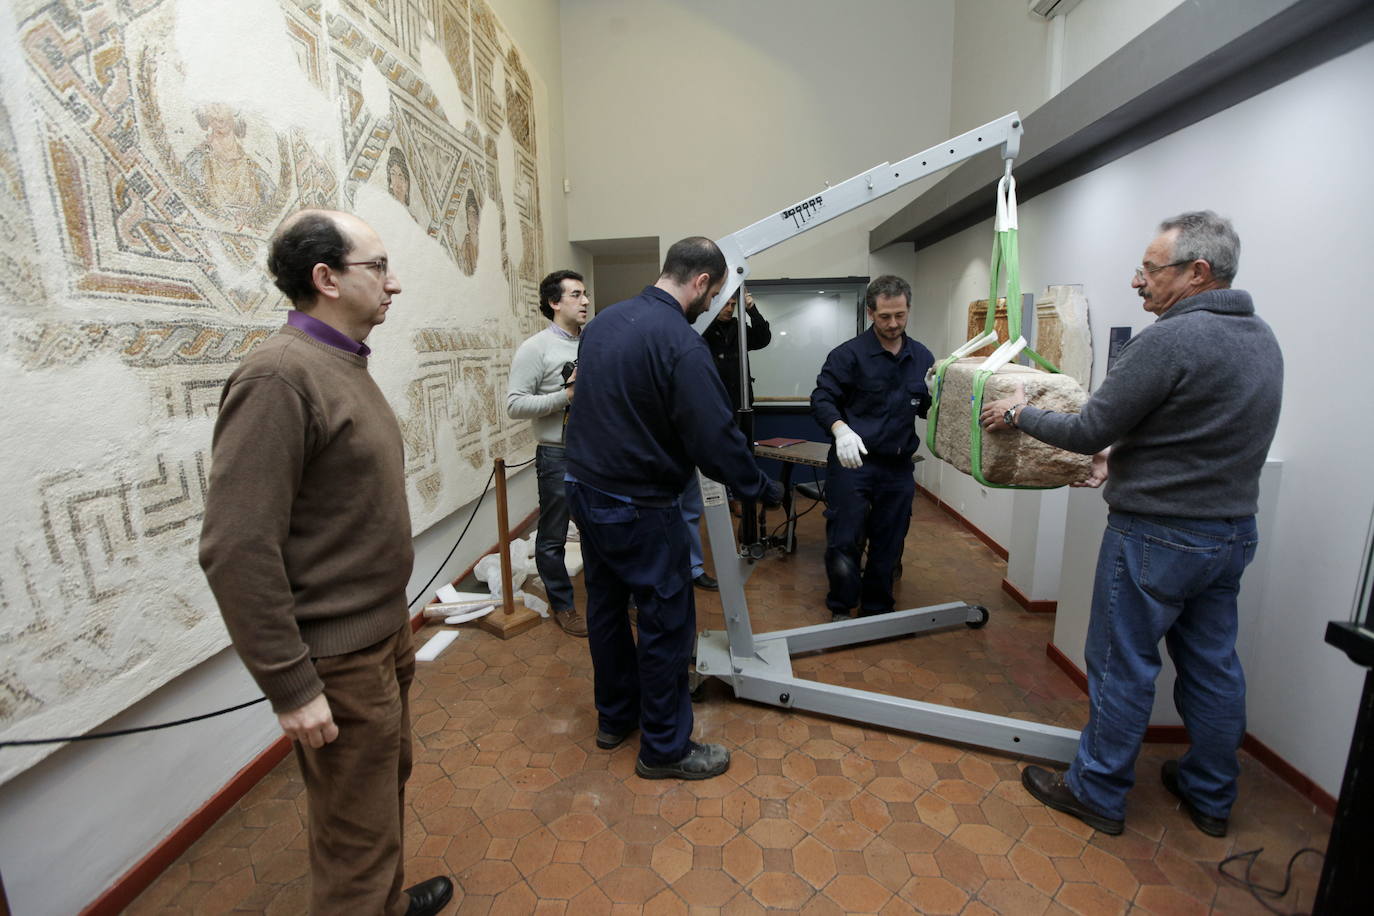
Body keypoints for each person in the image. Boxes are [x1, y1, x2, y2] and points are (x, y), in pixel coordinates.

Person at [980, 211, 1283, 837]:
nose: (1138, 282)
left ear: (1198, 273)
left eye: (1150, 269)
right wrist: (1123, 458)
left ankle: (1097, 790)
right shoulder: (1262, 339)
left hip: (1157, 538)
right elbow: (1200, 434)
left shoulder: (1170, 340)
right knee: (1212, 664)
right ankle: (1210, 793)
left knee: (1122, 663)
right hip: (1229, 535)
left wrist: (1020, 413)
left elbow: (1089, 427)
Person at [199, 209, 453, 916]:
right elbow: (235, 545)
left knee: (378, 794)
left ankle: (389, 904)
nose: (394, 283)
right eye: (378, 267)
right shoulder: (279, 376)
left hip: (382, 636)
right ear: (326, 278)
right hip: (337, 661)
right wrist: (290, 684)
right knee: (356, 838)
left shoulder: (340, 362)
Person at [565, 236, 782, 781]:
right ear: (701, 281)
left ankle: (615, 718)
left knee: (607, 611)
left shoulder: (604, 325)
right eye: (712, 296)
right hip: (640, 506)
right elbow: (716, 438)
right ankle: (664, 748)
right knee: (665, 623)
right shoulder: (681, 345)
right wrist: (759, 487)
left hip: (586, 493)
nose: (710, 308)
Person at [810, 275, 934, 621]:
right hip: (853, 464)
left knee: (890, 540)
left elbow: (924, 409)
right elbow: (822, 398)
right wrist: (840, 429)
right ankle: (841, 605)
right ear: (870, 313)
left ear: (908, 310)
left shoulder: (921, 356)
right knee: (845, 538)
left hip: (897, 466)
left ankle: (878, 606)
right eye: (884, 317)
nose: (893, 324)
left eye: (900, 315)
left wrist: (935, 395)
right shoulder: (848, 356)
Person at [507, 269, 591, 636]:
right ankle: (563, 604)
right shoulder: (535, 348)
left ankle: (614, 600)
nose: (585, 301)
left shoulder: (595, 341)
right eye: (575, 295)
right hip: (558, 454)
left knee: (602, 530)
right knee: (554, 535)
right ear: (554, 303)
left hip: (597, 454)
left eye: (585, 293)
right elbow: (515, 405)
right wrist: (567, 396)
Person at [701, 291, 772, 411]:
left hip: (740, 401)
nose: (729, 309)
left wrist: (752, 310)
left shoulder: (738, 328)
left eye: (733, 305)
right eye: (725, 304)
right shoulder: (703, 329)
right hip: (712, 400)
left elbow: (762, 339)